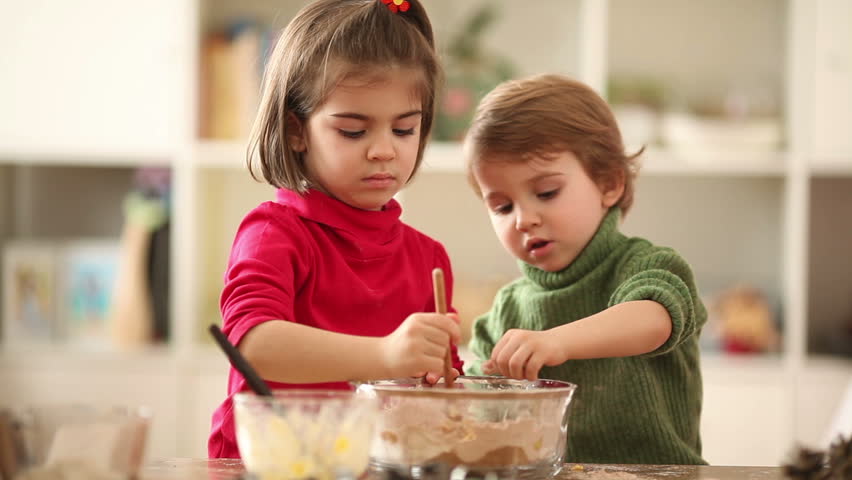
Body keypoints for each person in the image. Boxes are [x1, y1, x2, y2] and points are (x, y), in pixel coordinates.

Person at [209, 0, 463, 459]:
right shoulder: (274, 234)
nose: (384, 150)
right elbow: (252, 341)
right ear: (295, 131)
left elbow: (442, 385)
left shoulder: (429, 259)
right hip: (271, 462)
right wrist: (386, 355)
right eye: (353, 131)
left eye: (404, 130)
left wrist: (437, 377)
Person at [463, 74, 707, 465]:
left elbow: (653, 320)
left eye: (546, 193)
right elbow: (476, 420)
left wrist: (556, 342)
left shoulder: (648, 266)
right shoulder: (505, 311)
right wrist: (456, 391)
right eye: (503, 206)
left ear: (609, 183)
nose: (524, 219)